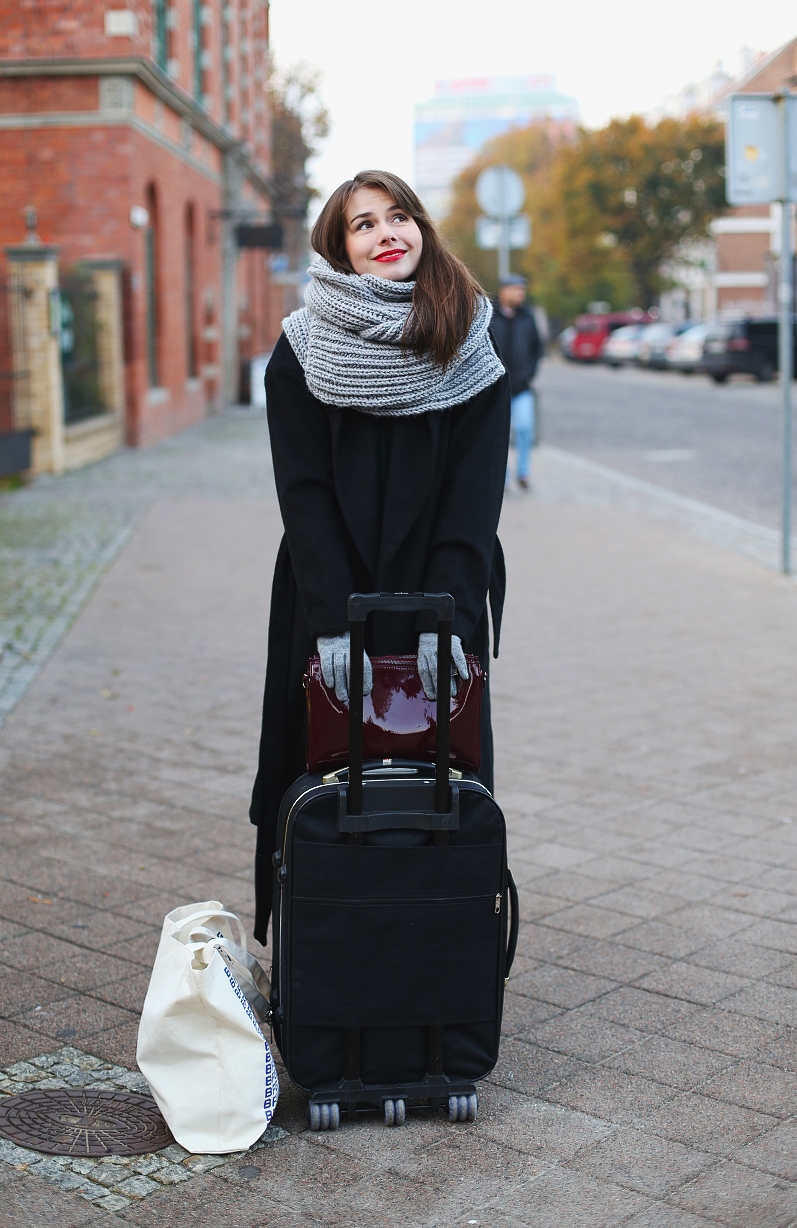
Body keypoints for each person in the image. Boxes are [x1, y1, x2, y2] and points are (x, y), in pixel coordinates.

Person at [249, 169, 510, 943]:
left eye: (399, 217)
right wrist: (335, 624)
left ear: (423, 230)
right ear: (340, 250)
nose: (385, 233)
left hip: (443, 598)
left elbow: (474, 501)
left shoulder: (469, 343)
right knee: (317, 772)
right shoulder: (299, 353)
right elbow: (304, 496)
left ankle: (438, 953)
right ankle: (324, 955)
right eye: (363, 225)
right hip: (327, 596)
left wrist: (450, 623)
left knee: (444, 780)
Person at [491, 274, 542, 490]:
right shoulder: (490, 315)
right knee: (498, 434)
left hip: (521, 387)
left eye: (522, 290)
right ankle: (502, 477)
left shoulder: (527, 317)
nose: (520, 294)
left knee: (524, 428)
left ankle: (523, 472)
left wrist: (529, 373)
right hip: (495, 388)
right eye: (515, 290)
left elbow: (536, 348)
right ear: (504, 291)